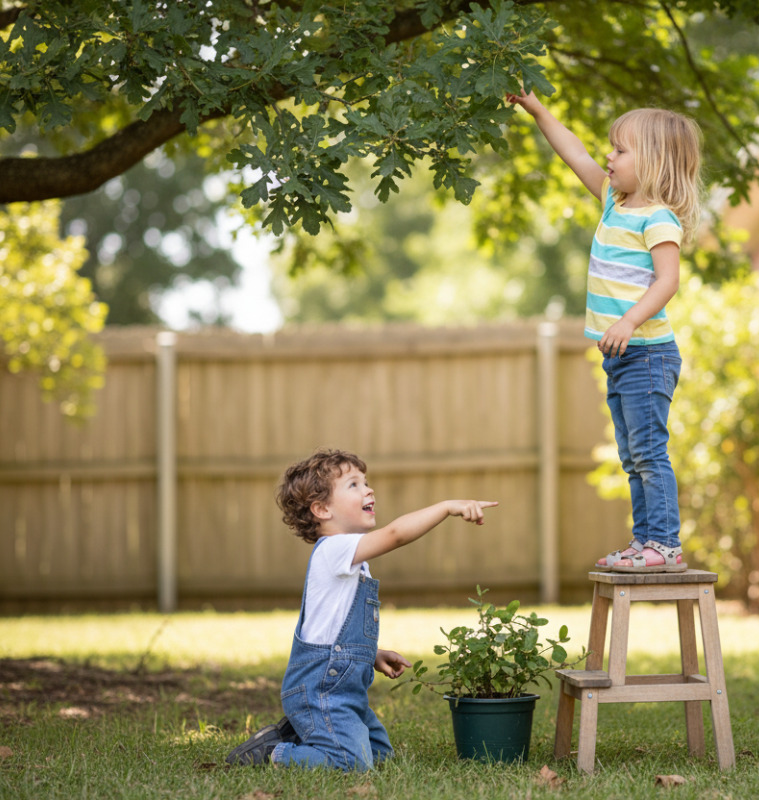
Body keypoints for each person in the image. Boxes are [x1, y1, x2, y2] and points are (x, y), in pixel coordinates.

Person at [506, 88, 702, 574]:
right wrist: (537, 109)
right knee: (632, 456)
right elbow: (574, 152)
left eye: (619, 149)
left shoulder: (659, 219)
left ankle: (665, 545)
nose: (608, 157)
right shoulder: (613, 203)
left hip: (648, 353)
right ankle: (645, 543)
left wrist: (629, 320)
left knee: (649, 452)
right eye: (610, 148)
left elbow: (668, 280)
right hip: (620, 356)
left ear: (653, 161)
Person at [225, 447, 497, 770]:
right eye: (354, 485)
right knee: (352, 762)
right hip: (321, 692)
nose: (369, 489)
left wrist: (374, 654)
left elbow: (333, 629)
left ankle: (303, 733)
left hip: (346, 693)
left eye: (366, 482)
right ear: (322, 509)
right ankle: (276, 751)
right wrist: (447, 507)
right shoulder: (333, 551)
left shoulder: (353, 560)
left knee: (380, 756)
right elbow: (396, 535)